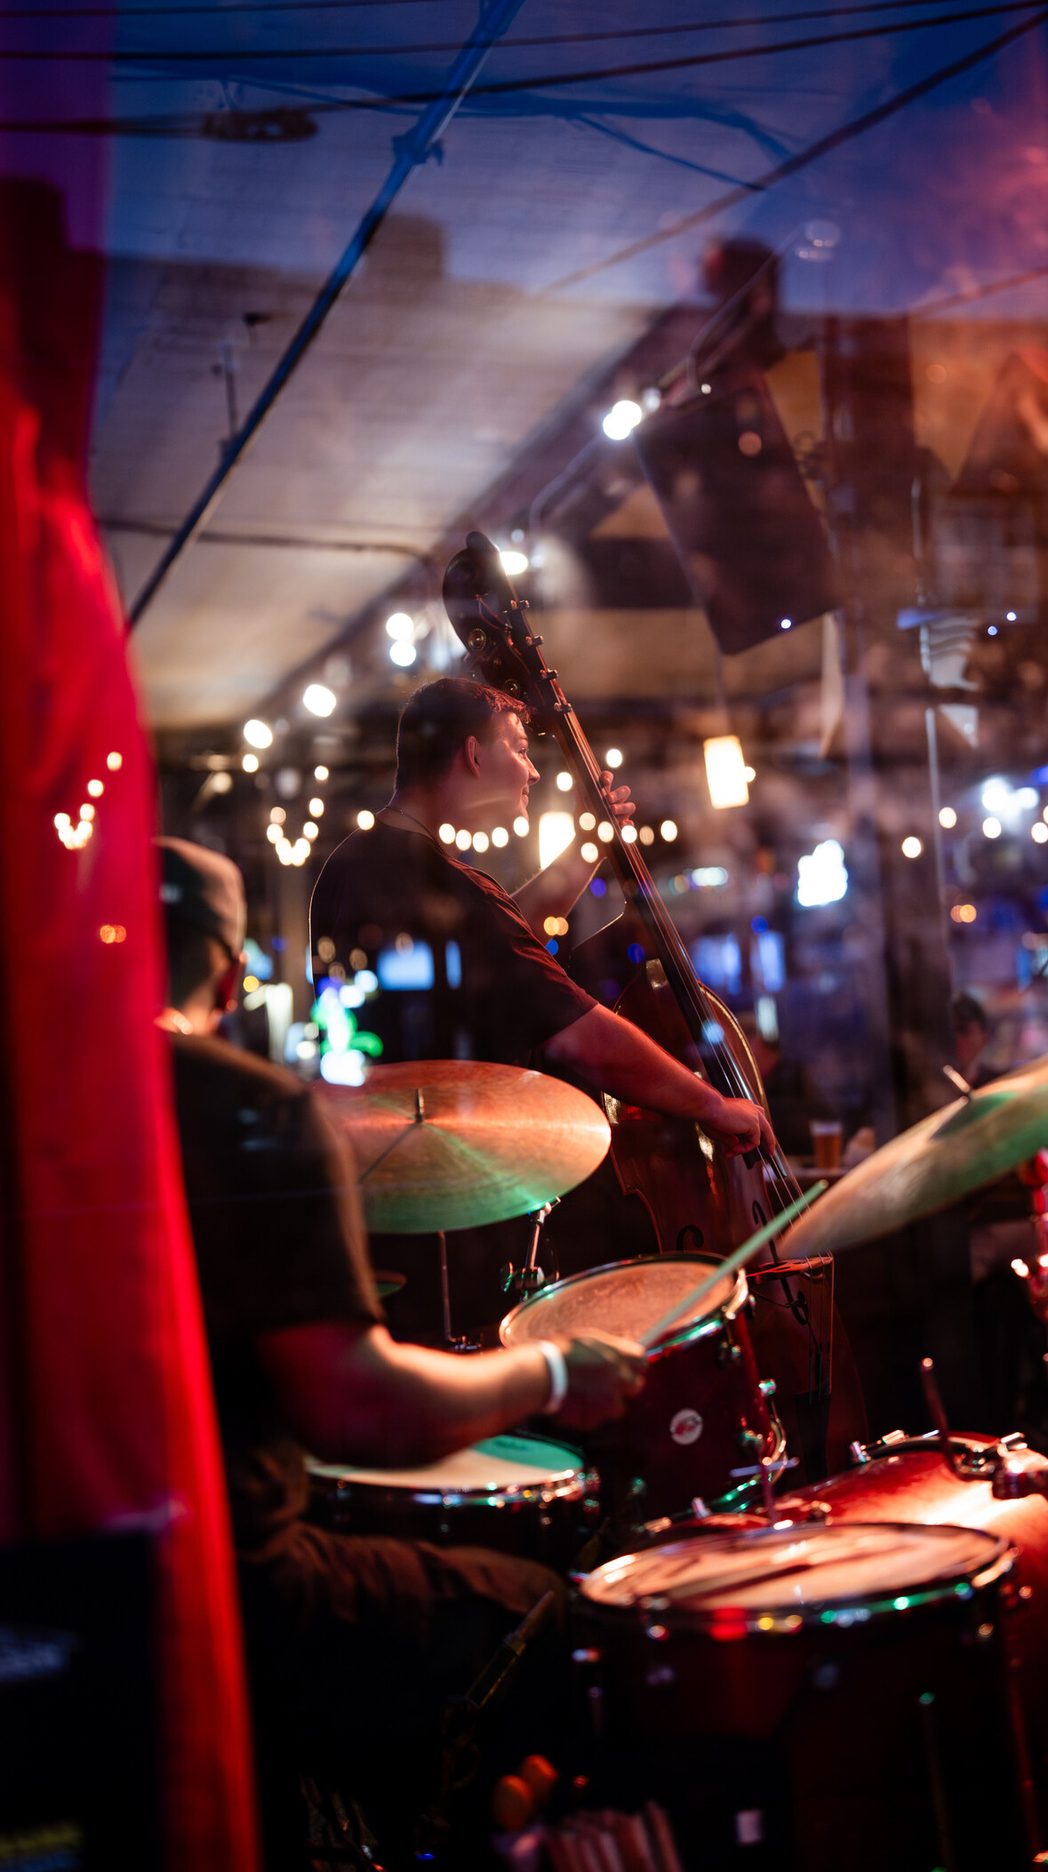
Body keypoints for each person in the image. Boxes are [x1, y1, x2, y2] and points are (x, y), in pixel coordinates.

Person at [155, 836, 647, 1856]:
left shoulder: (38, 1101)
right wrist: (552, 1369)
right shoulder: (243, 1110)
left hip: (54, 1574)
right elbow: (357, 1408)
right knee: (545, 1623)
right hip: (217, 1589)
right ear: (231, 970)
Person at [309, 677, 775, 1161]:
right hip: (445, 1170)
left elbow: (502, 939)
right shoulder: (438, 881)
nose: (532, 772)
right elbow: (584, 1037)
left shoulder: (360, 861)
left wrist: (586, 849)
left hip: (375, 1158)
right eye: (520, 749)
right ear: (474, 754)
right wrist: (712, 1104)